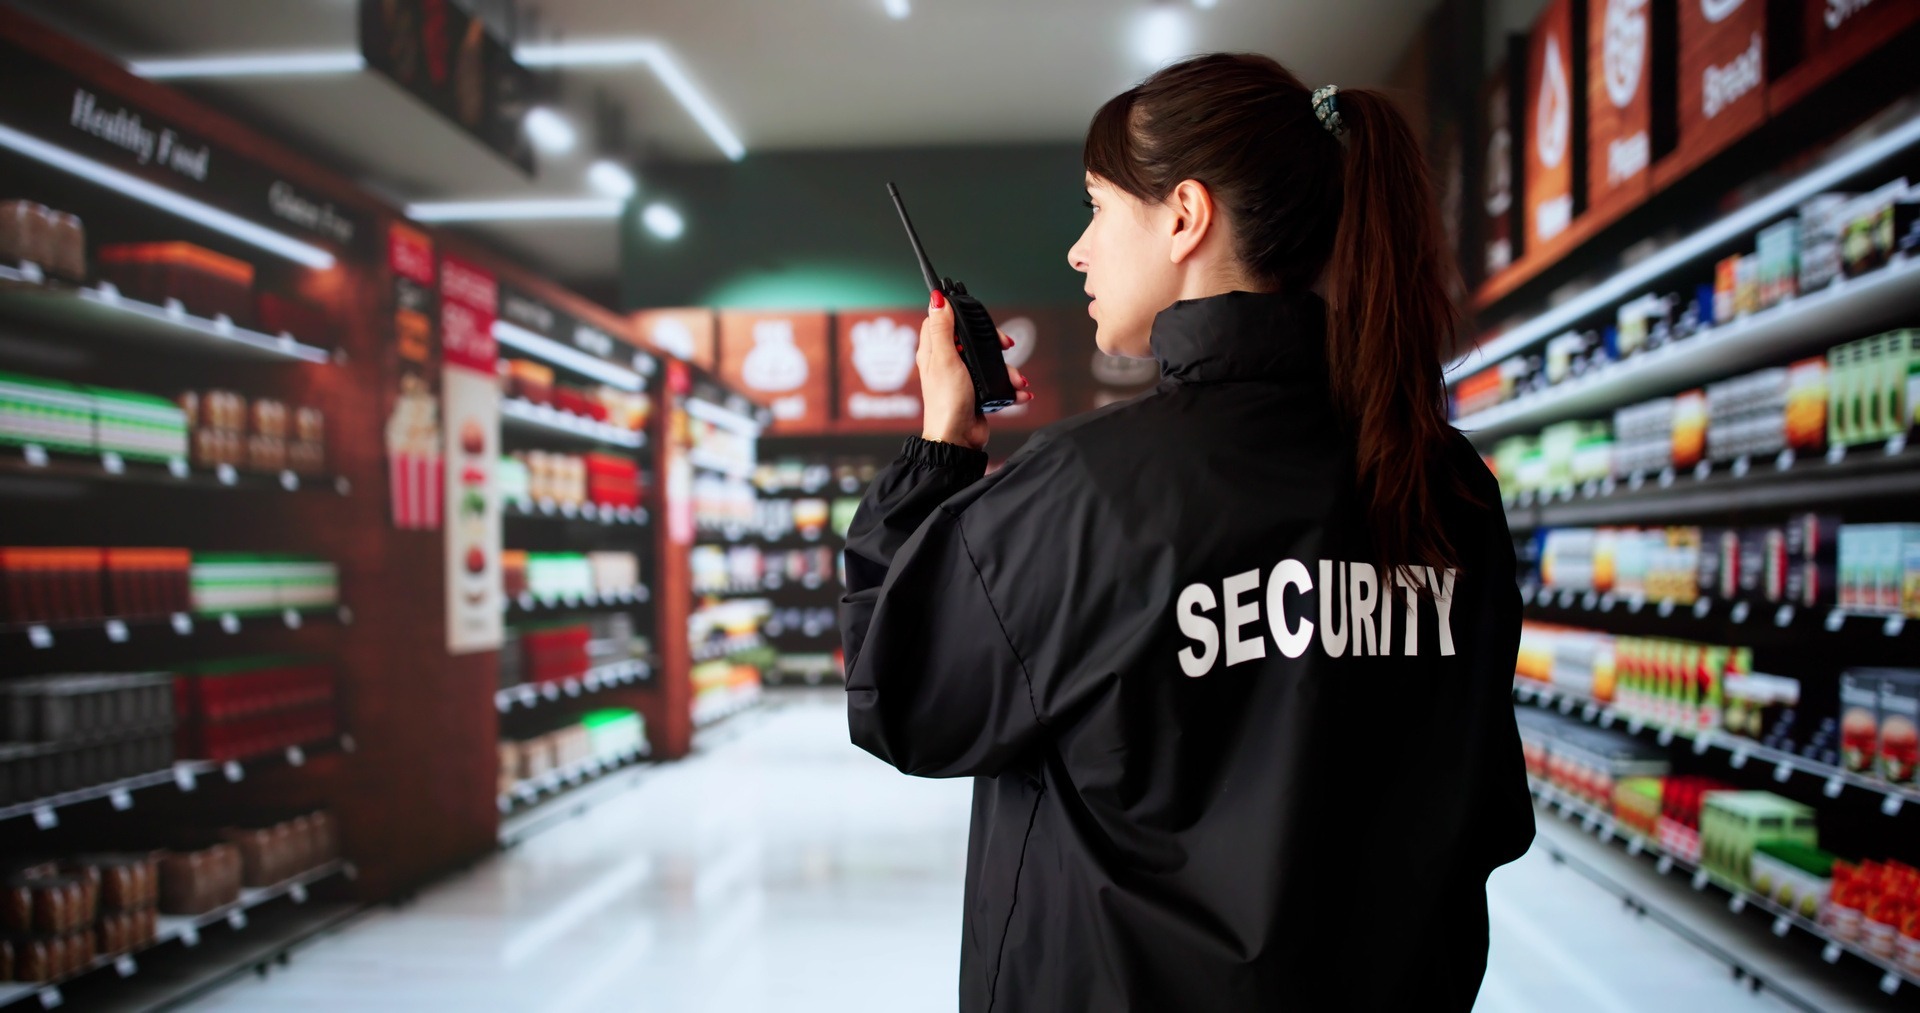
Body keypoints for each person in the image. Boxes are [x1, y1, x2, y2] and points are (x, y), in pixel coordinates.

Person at [840, 52, 1532, 1012]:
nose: (1079, 250)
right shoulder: (1451, 485)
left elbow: (899, 693)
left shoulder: (1086, 490)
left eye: (1096, 207)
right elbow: (1488, 806)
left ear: (1184, 216)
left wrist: (941, 448)